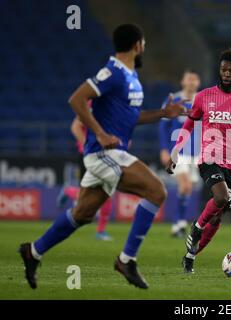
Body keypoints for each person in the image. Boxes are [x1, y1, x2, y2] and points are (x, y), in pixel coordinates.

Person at [18, 23, 187, 289]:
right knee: (157, 191)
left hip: (111, 154)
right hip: (104, 153)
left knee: (82, 214)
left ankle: (33, 251)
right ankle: (126, 260)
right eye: (143, 43)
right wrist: (98, 133)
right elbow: (76, 98)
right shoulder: (113, 72)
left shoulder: (131, 77)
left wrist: (162, 114)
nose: (144, 48)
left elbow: (133, 118)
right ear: (137, 45)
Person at [165, 48, 231, 274]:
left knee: (216, 218)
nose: (226, 73)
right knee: (221, 196)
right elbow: (188, 124)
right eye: (223, 69)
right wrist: (176, 151)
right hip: (209, 158)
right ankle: (196, 229)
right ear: (219, 70)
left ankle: (190, 256)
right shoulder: (204, 96)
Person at [57, 103, 114, 241]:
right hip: (89, 155)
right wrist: (87, 147)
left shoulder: (114, 103)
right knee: (87, 198)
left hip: (107, 155)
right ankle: (68, 191)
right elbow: (75, 127)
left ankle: (101, 231)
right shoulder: (92, 104)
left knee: (108, 191)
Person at [159, 70, 201, 238]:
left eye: (194, 79)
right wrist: (164, 149)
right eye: (188, 79)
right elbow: (163, 127)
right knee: (185, 186)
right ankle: (179, 223)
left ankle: (179, 223)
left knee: (188, 189)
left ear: (198, 83)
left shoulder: (203, 100)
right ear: (182, 81)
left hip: (197, 153)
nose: (191, 82)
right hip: (179, 151)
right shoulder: (174, 100)